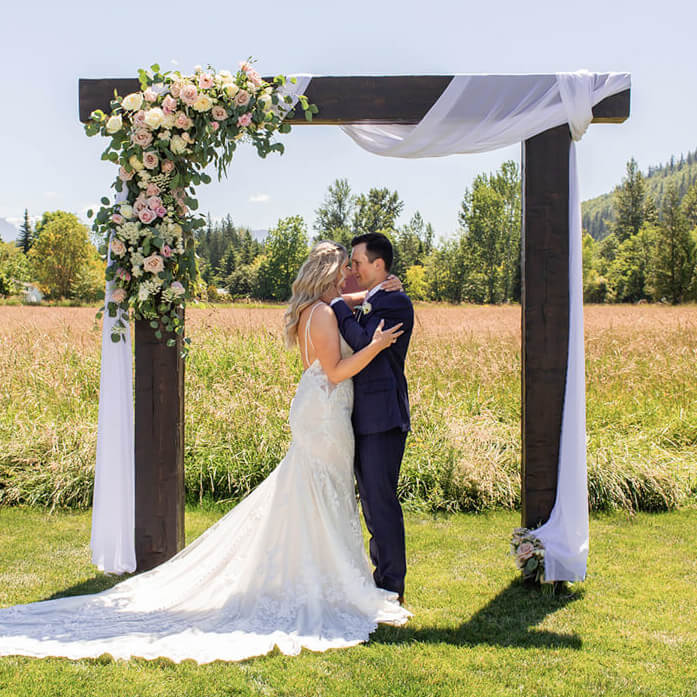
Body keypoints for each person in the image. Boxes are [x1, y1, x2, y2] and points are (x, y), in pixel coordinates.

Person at [0, 240, 411, 664]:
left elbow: (341, 306)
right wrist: (376, 346)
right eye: (345, 269)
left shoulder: (313, 310)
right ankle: (328, 581)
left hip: (319, 408)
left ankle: (322, 575)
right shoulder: (324, 314)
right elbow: (337, 370)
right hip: (325, 413)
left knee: (315, 493)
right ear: (329, 274)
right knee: (323, 493)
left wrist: (374, 293)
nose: (349, 275)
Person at [328, 232, 414, 604]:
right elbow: (361, 315)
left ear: (380, 265)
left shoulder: (394, 303)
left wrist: (334, 302)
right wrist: (337, 300)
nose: (353, 270)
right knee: (372, 504)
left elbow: (364, 341)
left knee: (381, 503)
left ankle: (392, 587)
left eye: (359, 263)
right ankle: (382, 579)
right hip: (365, 418)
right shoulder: (378, 297)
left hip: (383, 419)